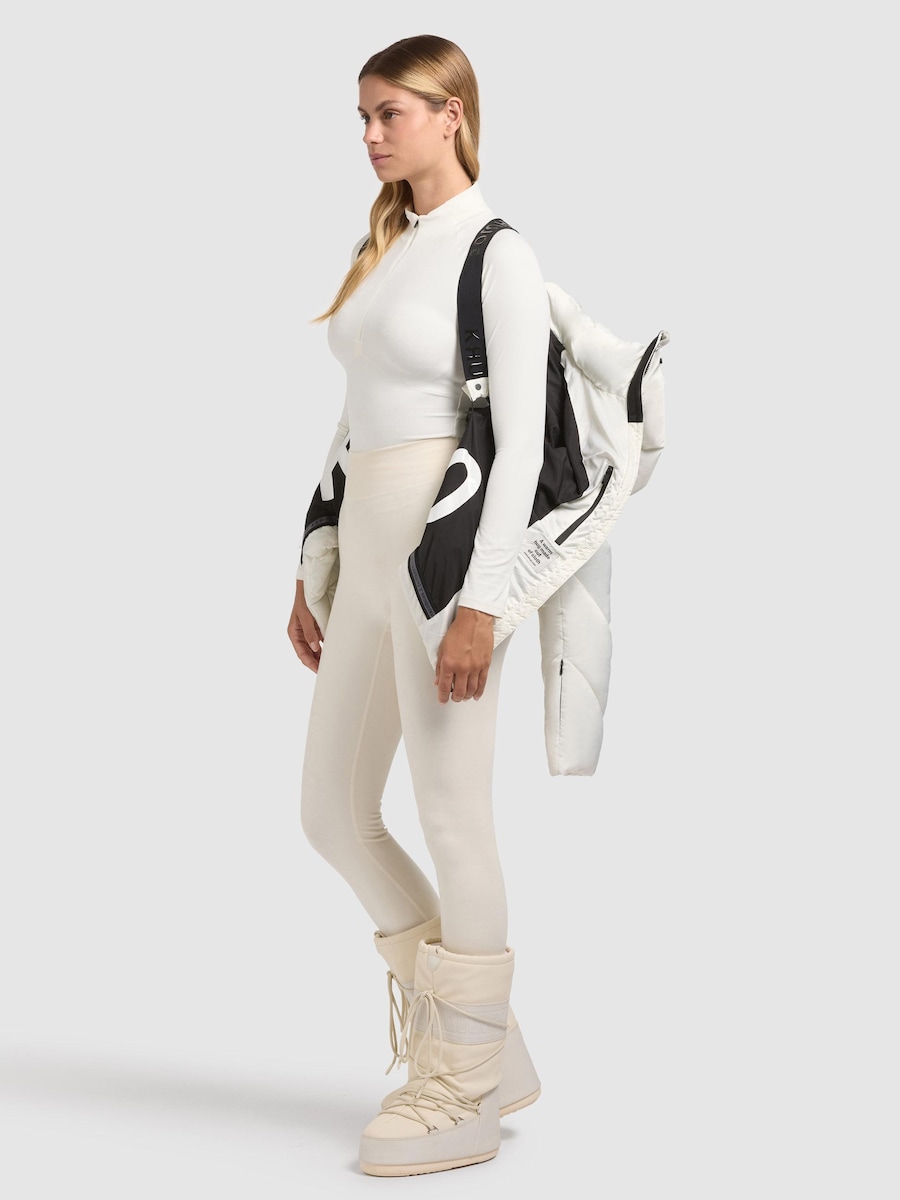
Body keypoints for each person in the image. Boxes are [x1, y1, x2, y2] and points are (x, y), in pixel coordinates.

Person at [287, 34, 550, 1178]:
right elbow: (355, 420)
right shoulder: (385, 245)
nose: (370, 134)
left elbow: (521, 445)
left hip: (446, 553)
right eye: (362, 116)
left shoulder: (497, 254)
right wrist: (314, 561)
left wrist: (484, 604)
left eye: (390, 112)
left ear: (452, 113)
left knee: (451, 811)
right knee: (331, 812)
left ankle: (459, 1086)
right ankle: (490, 1043)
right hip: (368, 546)